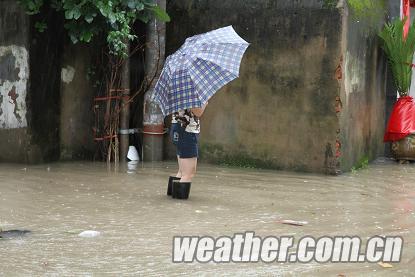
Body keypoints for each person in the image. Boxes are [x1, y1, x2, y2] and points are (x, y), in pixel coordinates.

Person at [167, 103, 208, 199]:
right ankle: (180, 206)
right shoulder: (191, 89)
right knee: (188, 173)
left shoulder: (180, 87)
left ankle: (171, 200)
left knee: (182, 171)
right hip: (187, 130)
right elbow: (198, 112)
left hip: (177, 127)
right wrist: (205, 103)